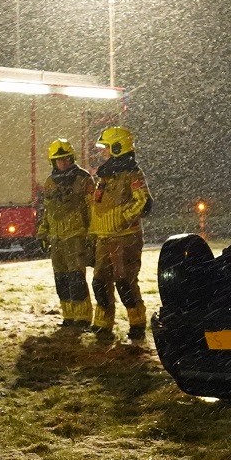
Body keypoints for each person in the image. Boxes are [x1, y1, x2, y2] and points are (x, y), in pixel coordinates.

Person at [89, 125, 152, 341]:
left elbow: (142, 201)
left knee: (125, 282)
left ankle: (137, 323)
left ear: (118, 147)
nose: (103, 152)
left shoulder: (132, 174)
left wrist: (122, 217)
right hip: (104, 237)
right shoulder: (105, 175)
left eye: (106, 148)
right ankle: (102, 324)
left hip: (125, 237)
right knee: (100, 281)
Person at [36, 137, 95, 329]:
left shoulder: (83, 179)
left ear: (72, 158)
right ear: (52, 162)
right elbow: (48, 211)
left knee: (76, 278)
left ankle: (83, 317)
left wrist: (92, 235)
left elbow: (92, 209)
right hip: (56, 238)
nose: (62, 163)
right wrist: (43, 234)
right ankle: (68, 316)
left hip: (76, 236)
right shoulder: (50, 182)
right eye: (58, 160)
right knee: (61, 279)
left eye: (66, 159)